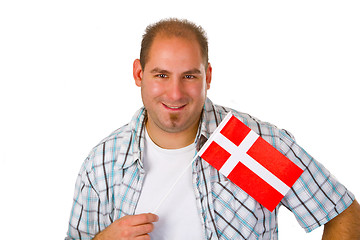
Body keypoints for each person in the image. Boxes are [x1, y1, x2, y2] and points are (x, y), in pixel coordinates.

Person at [65, 18, 360, 240]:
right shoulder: (104, 163)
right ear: (139, 74)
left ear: (207, 76)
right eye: (162, 75)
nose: (175, 93)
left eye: (189, 76)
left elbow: (341, 212)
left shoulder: (247, 144)